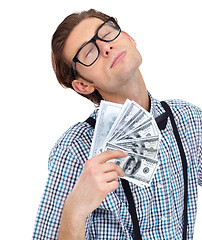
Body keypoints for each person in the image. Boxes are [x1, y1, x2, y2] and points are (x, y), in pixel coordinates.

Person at [32, 9, 201, 240]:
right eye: (88, 51)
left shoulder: (188, 119)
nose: (105, 47)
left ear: (129, 39)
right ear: (83, 85)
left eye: (107, 33)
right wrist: (75, 211)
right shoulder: (75, 149)